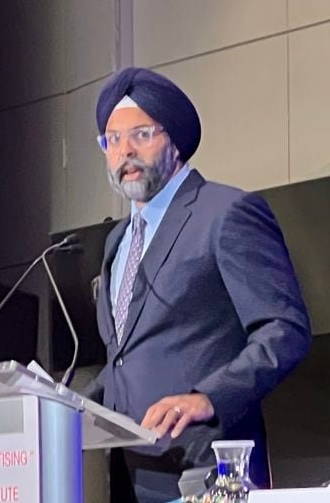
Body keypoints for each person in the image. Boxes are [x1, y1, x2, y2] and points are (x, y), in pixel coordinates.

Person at [81, 67, 312, 502]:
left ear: (175, 141)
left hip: (209, 469)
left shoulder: (226, 213)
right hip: (129, 475)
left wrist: (208, 397)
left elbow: (284, 330)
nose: (125, 151)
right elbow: (126, 359)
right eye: (112, 140)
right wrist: (63, 408)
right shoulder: (117, 241)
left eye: (141, 135)